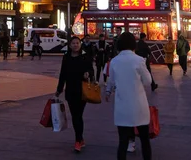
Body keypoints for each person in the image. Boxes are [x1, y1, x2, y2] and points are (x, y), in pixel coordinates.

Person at [105, 32, 152, 160]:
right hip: (139, 105)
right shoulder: (139, 60)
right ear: (133, 44)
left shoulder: (114, 61)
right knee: (144, 140)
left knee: (123, 141)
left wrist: (108, 92)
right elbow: (148, 81)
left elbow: (111, 81)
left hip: (122, 106)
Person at [56, 35, 94, 153]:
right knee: (75, 116)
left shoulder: (85, 56)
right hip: (70, 91)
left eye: (77, 43)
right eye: (73, 43)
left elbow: (91, 70)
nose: (75, 45)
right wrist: (59, 89)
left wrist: (88, 73)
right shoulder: (66, 57)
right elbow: (63, 74)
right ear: (70, 45)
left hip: (82, 91)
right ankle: (80, 138)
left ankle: (78, 140)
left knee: (78, 115)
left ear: (80, 44)